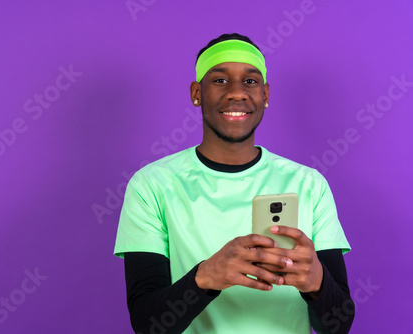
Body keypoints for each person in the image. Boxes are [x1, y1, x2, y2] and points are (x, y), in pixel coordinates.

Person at [114, 33, 355, 334]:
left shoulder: (309, 184)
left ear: (265, 95)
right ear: (196, 93)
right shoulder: (152, 185)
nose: (237, 93)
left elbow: (338, 324)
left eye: (250, 81)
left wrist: (317, 284)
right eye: (220, 80)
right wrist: (206, 277)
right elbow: (148, 324)